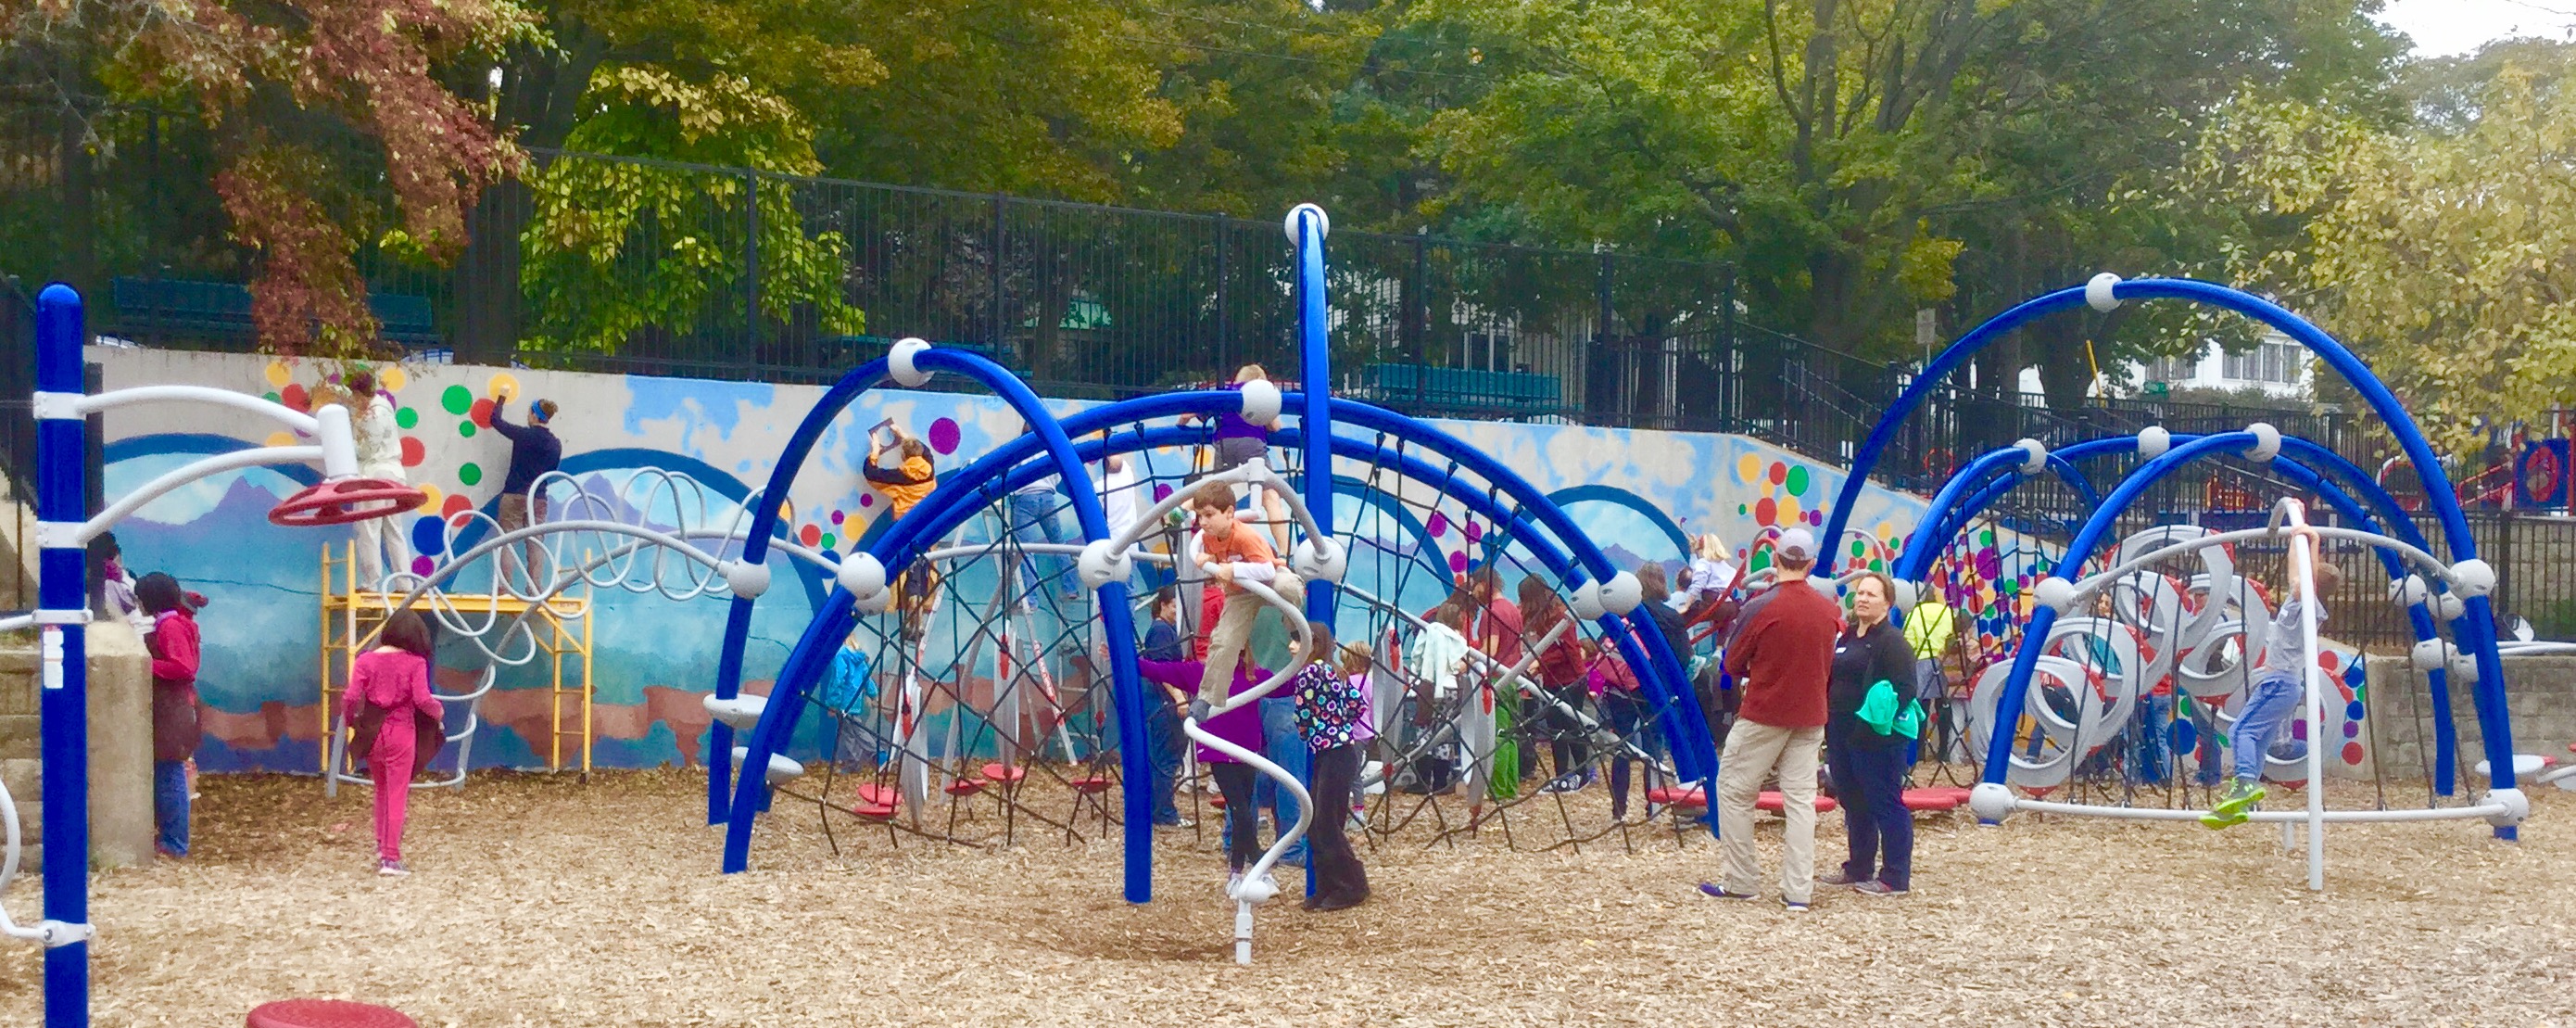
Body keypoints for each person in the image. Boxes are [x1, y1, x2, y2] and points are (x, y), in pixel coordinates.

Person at [1701, 527, 1841, 912]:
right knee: (1800, 801)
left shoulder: (1761, 606)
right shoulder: (1828, 611)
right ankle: (1798, 891)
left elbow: (1731, 662)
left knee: (1733, 789)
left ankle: (1741, 880)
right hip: (1811, 715)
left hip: (1765, 712)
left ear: (1775, 559)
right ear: (1811, 564)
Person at [2204, 530, 2341, 829]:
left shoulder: (2303, 605)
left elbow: (2301, 577)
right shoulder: (2304, 604)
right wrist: (2301, 539)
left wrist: (2308, 543)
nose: (2296, 580)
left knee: (2241, 731)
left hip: (2278, 683)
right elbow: (2298, 572)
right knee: (2259, 740)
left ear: (2310, 585)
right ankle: (2245, 800)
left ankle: (2244, 785)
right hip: (2285, 684)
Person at [1133, 648, 1273, 895]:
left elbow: (1286, 684)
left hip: (1247, 753)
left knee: (1242, 813)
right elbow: (1161, 671)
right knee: (1241, 812)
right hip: (1221, 754)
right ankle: (1258, 866)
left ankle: (1237, 873)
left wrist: (1313, 661)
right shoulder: (1204, 673)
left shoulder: (1254, 676)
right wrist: (1124, 655)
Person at [1821, 572, 1920, 897]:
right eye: (1860, 593)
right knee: (1853, 802)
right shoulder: (1847, 637)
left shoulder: (1892, 642)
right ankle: (1859, 866)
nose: (1863, 599)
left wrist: (1878, 722)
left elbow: (1906, 688)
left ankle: (1895, 877)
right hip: (1841, 732)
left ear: (1887, 603)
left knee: (1885, 802)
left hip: (1877, 740)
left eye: (1871, 595)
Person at [344, 609, 445, 875]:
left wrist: (351, 722)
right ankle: (391, 858)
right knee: (397, 793)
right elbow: (422, 699)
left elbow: (350, 697)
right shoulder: (415, 663)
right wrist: (438, 712)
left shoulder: (365, 660)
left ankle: (381, 845)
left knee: (381, 789)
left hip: (372, 733)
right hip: (401, 733)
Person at [1188, 481, 1303, 715]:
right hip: (1240, 592)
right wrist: (1208, 559)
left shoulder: (1245, 536)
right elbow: (1220, 557)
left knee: (1289, 586)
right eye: (1200, 516)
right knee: (1223, 641)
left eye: (1209, 515)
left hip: (1268, 580)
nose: (1203, 522)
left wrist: (1234, 570)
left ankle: (1294, 629)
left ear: (1229, 513)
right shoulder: (1209, 537)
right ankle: (1208, 697)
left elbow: (1267, 570)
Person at [1291, 622, 1370, 910]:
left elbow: (1302, 714)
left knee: (1322, 823)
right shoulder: (1335, 671)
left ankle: (1352, 886)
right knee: (1324, 822)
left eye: (1296, 640)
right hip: (1341, 750)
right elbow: (1358, 705)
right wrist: (1339, 723)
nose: (1291, 647)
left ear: (1312, 643)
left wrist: (1311, 729)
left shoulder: (1307, 673)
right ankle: (1329, 886)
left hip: (1330, 751)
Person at [138, 573, 204, 859]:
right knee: (167, 772)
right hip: (173, 707)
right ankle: (169, 839)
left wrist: (145, 665)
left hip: (173, 709)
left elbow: (184, 667)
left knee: (170, 773)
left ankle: (175, 843)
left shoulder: (170, 627)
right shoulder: (173, 623)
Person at [865, 425, 941, 639]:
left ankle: (910, 617)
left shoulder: (900, 476)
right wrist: (904, 435)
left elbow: (872, 474)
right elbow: (925, 451)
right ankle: (917, 620)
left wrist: (875, 450)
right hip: (927, 527)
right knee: (921, 570)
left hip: (905, 528)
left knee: (904, 570)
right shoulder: (928, 469)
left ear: (903, 456)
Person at [1206, 364, 1290, 552]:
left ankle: (1213, 547)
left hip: (1223, 444)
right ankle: (1285, 552)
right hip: (1252, 444)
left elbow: (1188, 414)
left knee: (1215, 495)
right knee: (1270, 496)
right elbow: (1275, 427)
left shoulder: (1226, 394)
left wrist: (1181, 424)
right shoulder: (1260, 395)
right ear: (1261, 382)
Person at [1523, 576, 1593, 793]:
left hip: (1570, 682)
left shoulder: (1560, 619)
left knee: (1572, 727)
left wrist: (1539, 663)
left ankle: (1582, 774)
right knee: (1556, 729)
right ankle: (1561, 775)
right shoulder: (1546, 619)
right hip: (1554, 681)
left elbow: (1568, 651)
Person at [487, 394, 563, 588]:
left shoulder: (523, 435)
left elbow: (496, 421)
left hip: (515, 494)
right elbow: (552, 470)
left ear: (534, 415)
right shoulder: (555, 444)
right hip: (538, 498)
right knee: (536, 542)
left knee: (507, 539)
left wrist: (501, 398)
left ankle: (504, 587)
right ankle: (535, 587)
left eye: (529, 412)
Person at [347, 368, 410, 587]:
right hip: (394, 475)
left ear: (361, 394)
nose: (355, 402)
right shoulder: (386, 409)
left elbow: (367, 450)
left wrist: (346, 445)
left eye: (355, 397)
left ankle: (371, 582)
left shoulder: (373, 414)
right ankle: (405, 584)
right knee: (394, 531)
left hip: (374, 474)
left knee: (368, 528)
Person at [1137, 589, 1191, 828]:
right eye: (1174, 606)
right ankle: (1164, 813)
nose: (1177, 612)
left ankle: (1157, 809)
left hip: (1161, 700)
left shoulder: (1164, 630)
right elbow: (1161, 669)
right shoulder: (1161, 631)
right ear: (1163, 605)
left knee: (1163, 757)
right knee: (1166, 758)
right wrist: (1178, 696)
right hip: (1164, 702)